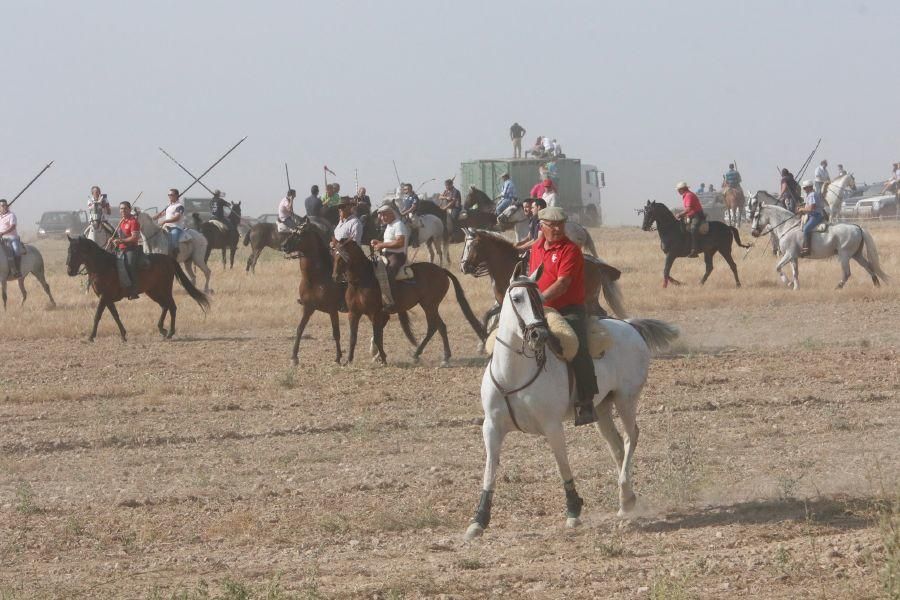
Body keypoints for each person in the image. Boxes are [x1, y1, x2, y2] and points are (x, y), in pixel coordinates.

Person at [527, 206, 597, 426]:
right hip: (540, 309)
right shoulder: (536, 247)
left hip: (569, 309)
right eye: (552, 225)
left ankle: (586, 401)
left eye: (561, 224)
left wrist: (539, 298)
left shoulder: (570, 250)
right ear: (542, 226)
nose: (557, 229)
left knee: (576, 345)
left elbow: (563, 283)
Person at [370, 204, 409, 310]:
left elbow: (400, 242)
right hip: (387, 254)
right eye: (381, 216)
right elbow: (389, 242)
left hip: (397, 256)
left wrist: (382, 245)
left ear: (391, 214)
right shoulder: (389, 225)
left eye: (384, 216)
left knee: (389, 272)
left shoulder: (398, 224)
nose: (382, 218)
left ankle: (393, 302)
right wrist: (379, 243)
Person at [113, 201, 142, 299]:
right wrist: (112, 239)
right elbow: (118, 236)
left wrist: (120, 241)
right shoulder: (121, 221)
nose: (123, 210)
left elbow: (135, 238)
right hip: (120, 249)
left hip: (131, 248)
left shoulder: (133, 221)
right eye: (121, 208)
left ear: (130, 209)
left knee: (129, 265)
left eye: (125, 208)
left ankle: (134, 290)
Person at [674, 181, 704, 257]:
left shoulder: (689, 195)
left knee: (693, 229)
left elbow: (688, 209)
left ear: (682, 189)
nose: (678, 191)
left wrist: (680, 214)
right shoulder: (686, 195)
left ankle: (695, 250)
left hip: (696, 215)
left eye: (678, 190)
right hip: (691, 215)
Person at [154, 189, 187, 258]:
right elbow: (162, 214)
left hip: (176, 227)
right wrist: (153, 217)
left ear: (176, 196)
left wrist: (165, 221)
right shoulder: (168, 206)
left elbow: (177, 218)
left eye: (171, 195)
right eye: (169, 195)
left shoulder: (179, 206)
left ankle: (174, 256)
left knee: (173, 242)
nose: (169, 196)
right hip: (166, 227)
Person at [798, 179, 826, 257]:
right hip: (812, 215)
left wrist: (801, 209)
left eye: (805, 188)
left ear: (809, 187)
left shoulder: (812, 195)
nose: (804, 189)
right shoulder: (810, 194)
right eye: (804, 188)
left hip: (816, 215)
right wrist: (802, 207)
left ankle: (807, 249)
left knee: (806, 229)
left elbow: (811, 208)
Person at [0, 199, 23, 279]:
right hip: (2, 238)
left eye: (5, 205)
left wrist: (3, 233)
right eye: (2, 205)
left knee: (16, 251)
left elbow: (13, 227)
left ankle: (17, 271)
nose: (4, 207)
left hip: (12, 238)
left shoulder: (11, 215)